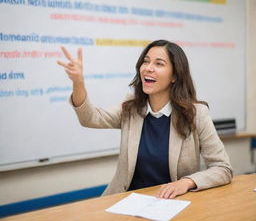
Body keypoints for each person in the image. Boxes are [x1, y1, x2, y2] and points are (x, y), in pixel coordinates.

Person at [57, 39, 233, 199]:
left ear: (174, 76)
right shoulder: (131, 107)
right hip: (126, 200)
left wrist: (186, 182)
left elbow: (223, 168)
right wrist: (78, 82)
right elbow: (91, 118)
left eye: (159, 63)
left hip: (172, 205)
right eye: (146, 61)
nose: (148, 68)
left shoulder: (196, 115)